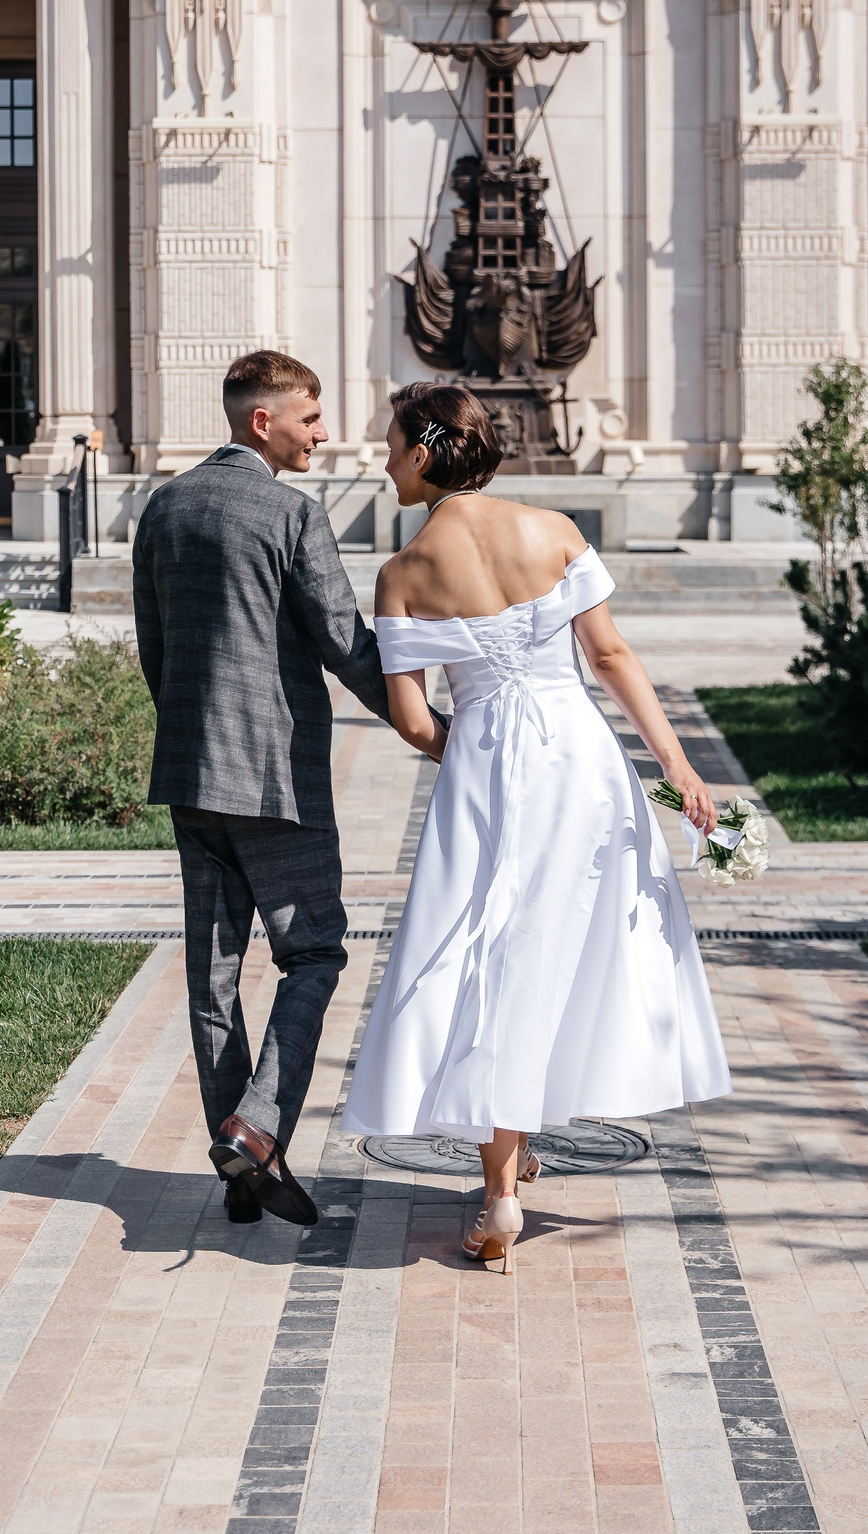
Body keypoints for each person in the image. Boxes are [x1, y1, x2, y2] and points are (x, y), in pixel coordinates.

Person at [340, 383, 733, 1272]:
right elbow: (610, 654)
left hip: (483, 769)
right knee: (560, 953)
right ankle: (512, 1163)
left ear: (425, 454)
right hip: (582, 763)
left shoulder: (402, 572)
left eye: (392, 445)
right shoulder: (553, 530)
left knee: (488, 960)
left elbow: (412, 721)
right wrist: (676, 764)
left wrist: (477, 749)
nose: (385, 460)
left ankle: (500, 1194)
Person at [131, 350, 408, 1228]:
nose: (322, 434)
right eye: (310, 417)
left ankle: (241, 1177)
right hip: (276, 782)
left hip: (190, 773)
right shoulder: (292, 513)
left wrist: (194, 739)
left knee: (212, 979)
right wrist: (427, 725)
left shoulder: (163, 506)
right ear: (264, 420)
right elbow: (344, 643)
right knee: (314, 953)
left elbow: (153, 648)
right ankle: (255, 1128)